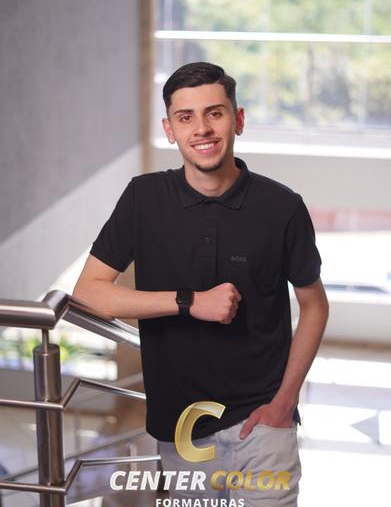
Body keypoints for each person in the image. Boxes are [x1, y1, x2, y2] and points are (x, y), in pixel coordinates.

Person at [73, 61, 329, 506]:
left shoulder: (282, 207)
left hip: (262, 426)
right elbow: (88, 292)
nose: (202, 129)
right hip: (182, 432)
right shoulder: (143, 198)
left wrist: (284, 403)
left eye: (215, 113)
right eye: (185, 117)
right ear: (169, 129)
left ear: (238, 119)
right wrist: (189, 301)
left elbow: (314, 305)